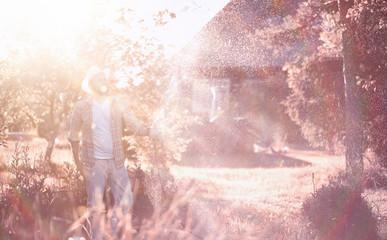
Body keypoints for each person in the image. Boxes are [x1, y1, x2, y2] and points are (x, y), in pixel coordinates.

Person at [68, 66, 160, 239]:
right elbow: (73, 136)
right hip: (94, 163)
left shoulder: (118, 103)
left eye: (105, 78)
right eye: (99, 79)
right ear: (90, 83)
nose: (104, 81)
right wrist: (77, 162)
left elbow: (135, 125)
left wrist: (149, 131)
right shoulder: (81, 106)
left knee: (126, 202)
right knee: (95, 206)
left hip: (116, 161)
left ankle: (109, 233)